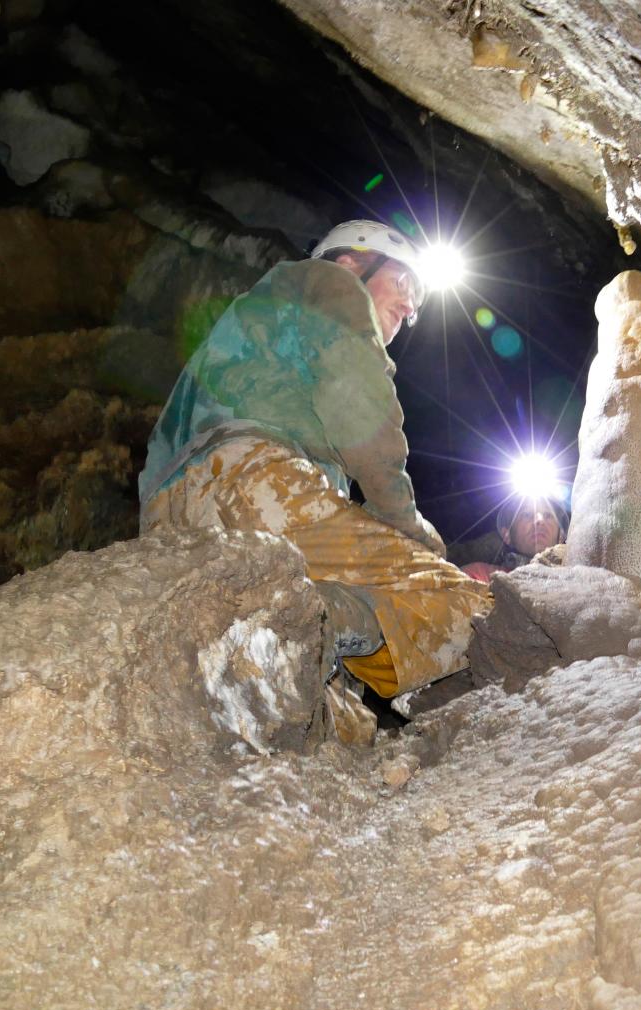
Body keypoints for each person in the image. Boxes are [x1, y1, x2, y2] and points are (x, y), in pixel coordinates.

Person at [138, 219, 489, 742]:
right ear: (352, 262)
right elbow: (363, 416)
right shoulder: (329, 282)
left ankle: (277, 649)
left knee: (343, 721)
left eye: (416, 302)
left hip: (172, 517)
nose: (410, 306)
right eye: (403, 283)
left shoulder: (257, 334)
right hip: (254, 481)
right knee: (468, 604)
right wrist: (409, 531)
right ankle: (299, 623)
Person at [451, 496, 567, 582]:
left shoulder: (572, 580)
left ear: (561, 536)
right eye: (526, 515)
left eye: (548, 515)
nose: (539, 520)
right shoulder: (481, 576)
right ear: (507, 535)